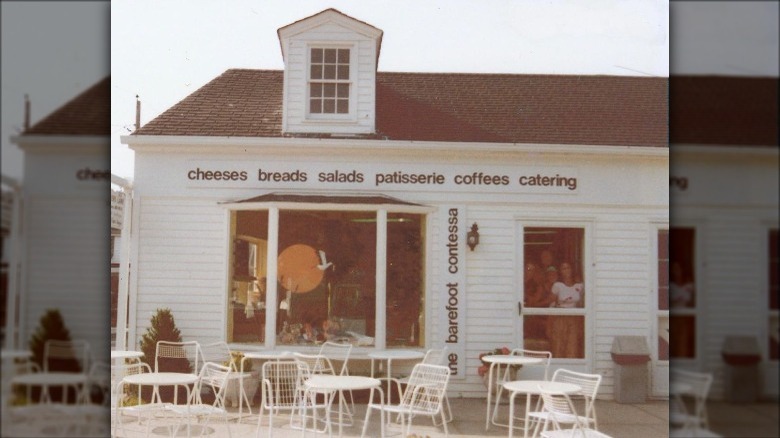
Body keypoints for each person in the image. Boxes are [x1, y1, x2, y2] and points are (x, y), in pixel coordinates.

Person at [549, 261, 585, 358]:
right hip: (560, 317)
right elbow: (551, 303)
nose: (566, 271)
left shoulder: (579, 286)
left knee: (572, 345)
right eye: (563, 268)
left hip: (574, 317)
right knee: (559, 345)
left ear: (572, 269)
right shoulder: (557, 285)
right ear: (560, 271)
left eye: (568, 268)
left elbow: (581, 303)